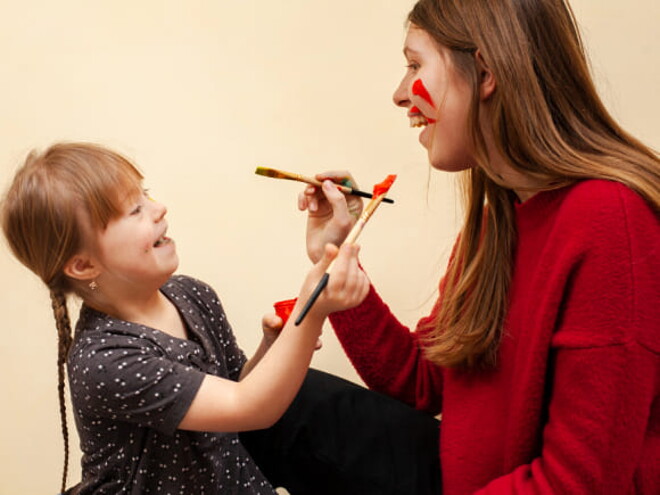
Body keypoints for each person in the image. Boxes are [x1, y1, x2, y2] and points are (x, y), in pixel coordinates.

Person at [297, 0, 659, 493]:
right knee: (286, 406)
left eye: (414, 65)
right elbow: (423, 383)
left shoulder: (609, 219)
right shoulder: (497, 223)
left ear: (484, 72)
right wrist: (334, 254)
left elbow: (580, 482)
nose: (400, 95)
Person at [0, 142, 372, 494]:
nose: (158, 207)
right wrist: (311, 314)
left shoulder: (192, 294)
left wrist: (271, 348)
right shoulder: (106, 360)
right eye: (134, 210)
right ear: (84, 264)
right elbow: (249, 407)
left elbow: (233, 390)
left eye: (146, 194)